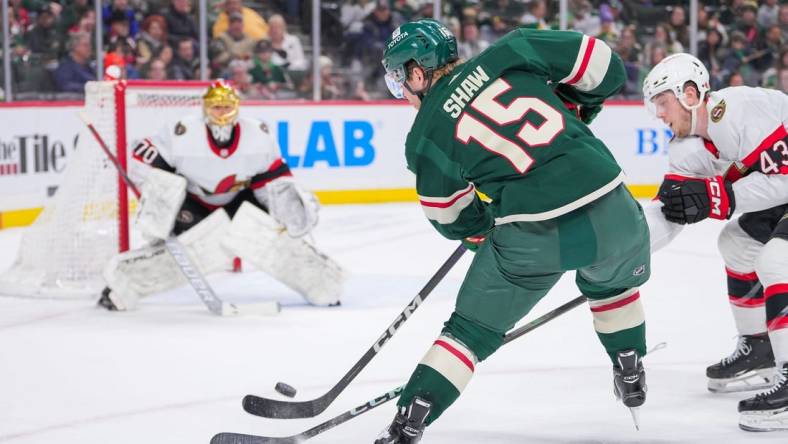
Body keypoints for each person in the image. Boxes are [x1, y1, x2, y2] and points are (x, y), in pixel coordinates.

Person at [376, 19, 651, 443]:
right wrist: (577, 103)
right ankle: (629, 363)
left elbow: (449, 216)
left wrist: (483, 230)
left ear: (417, 72)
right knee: (612, 285)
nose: (404, 95)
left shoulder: (425, 135)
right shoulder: (513, 50)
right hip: (613, 206)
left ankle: (409, 422)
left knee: (467, 335)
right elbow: (606, 66)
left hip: (531, 238)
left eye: (400, 82)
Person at [97, 81, 344, 312]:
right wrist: (161, 204)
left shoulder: (258, 134)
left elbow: (272, 181)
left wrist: (284, 213)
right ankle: (121, 286)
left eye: (226, 106)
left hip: (239, 201)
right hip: (191, 205)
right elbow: (141, 161)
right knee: (189, 252)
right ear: (205, 108)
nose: (221, 112)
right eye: (216, 107)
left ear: (237, 108)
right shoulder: (181, 132)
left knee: (267, 237)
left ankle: (322, 284)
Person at [642, 53, 788, 431]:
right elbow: (672, 211)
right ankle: (760, 348)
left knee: (777, 260)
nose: (659, 114)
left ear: (689, 93)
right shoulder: (685, 149)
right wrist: (628, 249)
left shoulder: (743, 110)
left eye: (662, 103)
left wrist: (724, 197)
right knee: (737, 243)